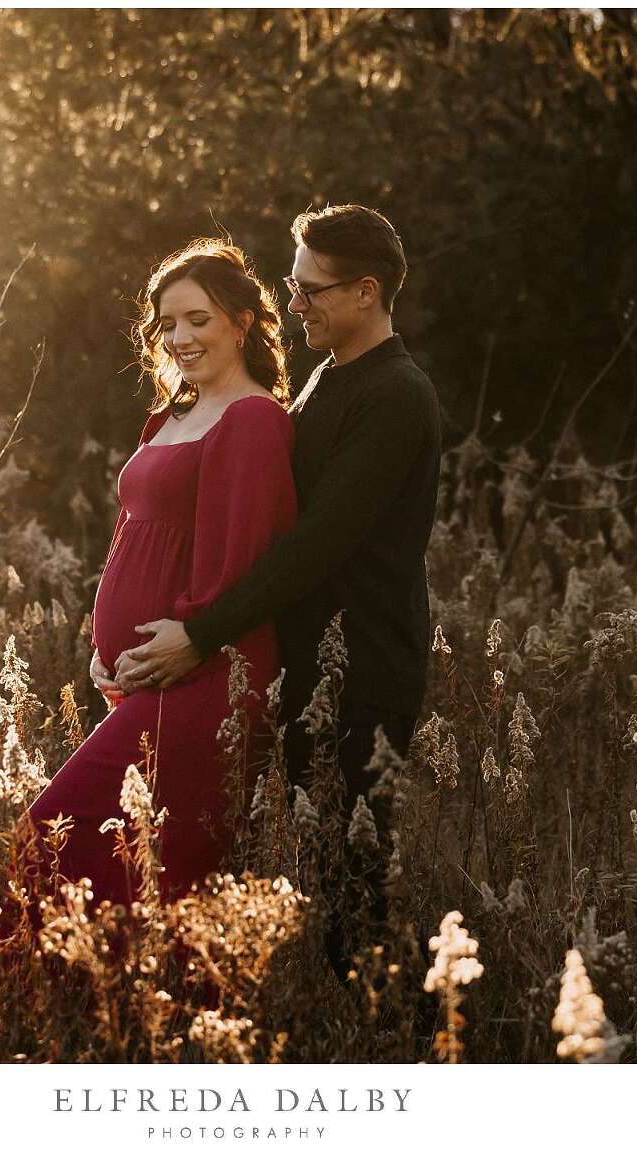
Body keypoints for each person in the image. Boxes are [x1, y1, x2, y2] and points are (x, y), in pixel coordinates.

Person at [111, 204, 442, 974]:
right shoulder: (328, 377)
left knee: (356, 883)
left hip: (361, 671)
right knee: (318, 867)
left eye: (312, 291)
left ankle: (407, 1042)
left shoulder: (395, 395)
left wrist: (198, 631)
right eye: (292, 287)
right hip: (304, 667)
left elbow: (318, 544)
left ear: (366, 291)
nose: (294, 306)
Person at [15, 239, 295, 912]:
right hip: (147, 677)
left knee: (55, 838)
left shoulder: (253, 419)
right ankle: (131, 1010)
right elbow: (136, 532)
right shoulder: (170, 416)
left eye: (198, 319)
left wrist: (183, 640)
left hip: (201, 678)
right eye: (168, 324)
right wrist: (101, 647)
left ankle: (95, 1003)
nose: (180, 337)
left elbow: (244, 560)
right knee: (141, 869)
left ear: (242, 322)